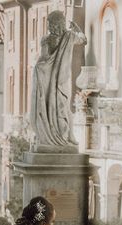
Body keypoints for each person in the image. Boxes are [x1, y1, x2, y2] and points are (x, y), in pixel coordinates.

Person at [29, 11, 86, 150]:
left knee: (51, 108)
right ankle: (66, 136)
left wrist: (37, 68)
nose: (48, 26)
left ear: (55, 24)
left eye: (49, 23)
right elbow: (84, 40)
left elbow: (44, 59)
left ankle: (56, 136)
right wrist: (76, 28)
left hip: (49, 81)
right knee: (63, 107)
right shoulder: (70, 36)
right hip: (62, 80)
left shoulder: (46, 40)